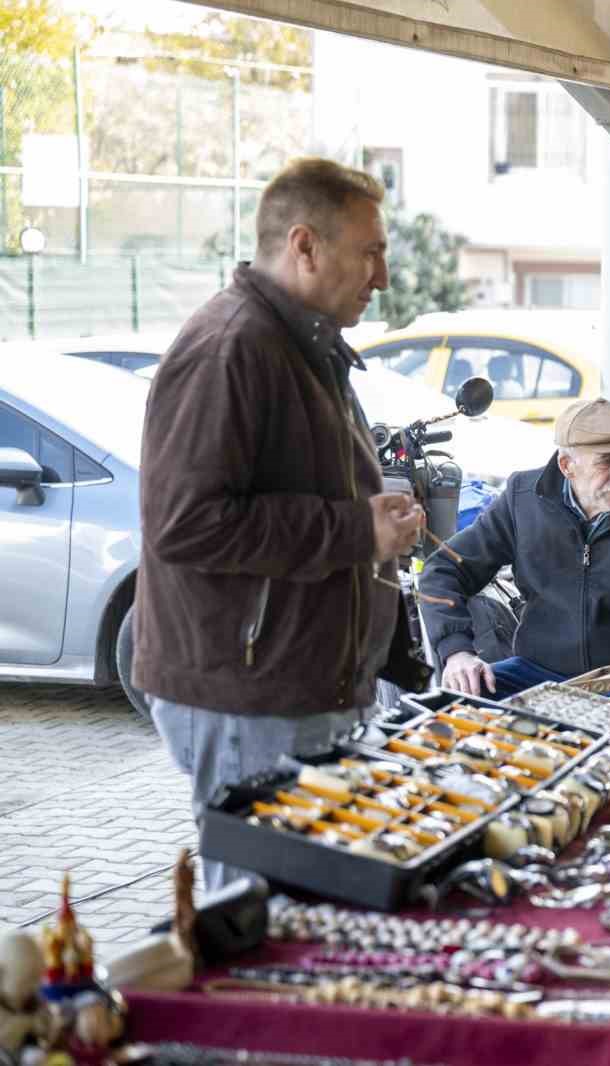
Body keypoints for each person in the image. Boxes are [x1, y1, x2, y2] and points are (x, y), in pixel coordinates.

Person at [134, 157, 426, 891]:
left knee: (301, 911)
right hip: (244, 693)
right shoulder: (232, 346)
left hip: (293, 687)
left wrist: (368, 522)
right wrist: (356, 531)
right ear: (305, 245)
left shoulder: (298, 343)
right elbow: (186, 523)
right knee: (257, 925)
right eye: (371, 251)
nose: (382, 276)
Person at [421, 398, 610, 697]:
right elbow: (442, 571)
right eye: (606, 461)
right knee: (448, 708)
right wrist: (457, 652)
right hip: (536, 673)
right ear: (567, 466)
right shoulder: (521, 498)